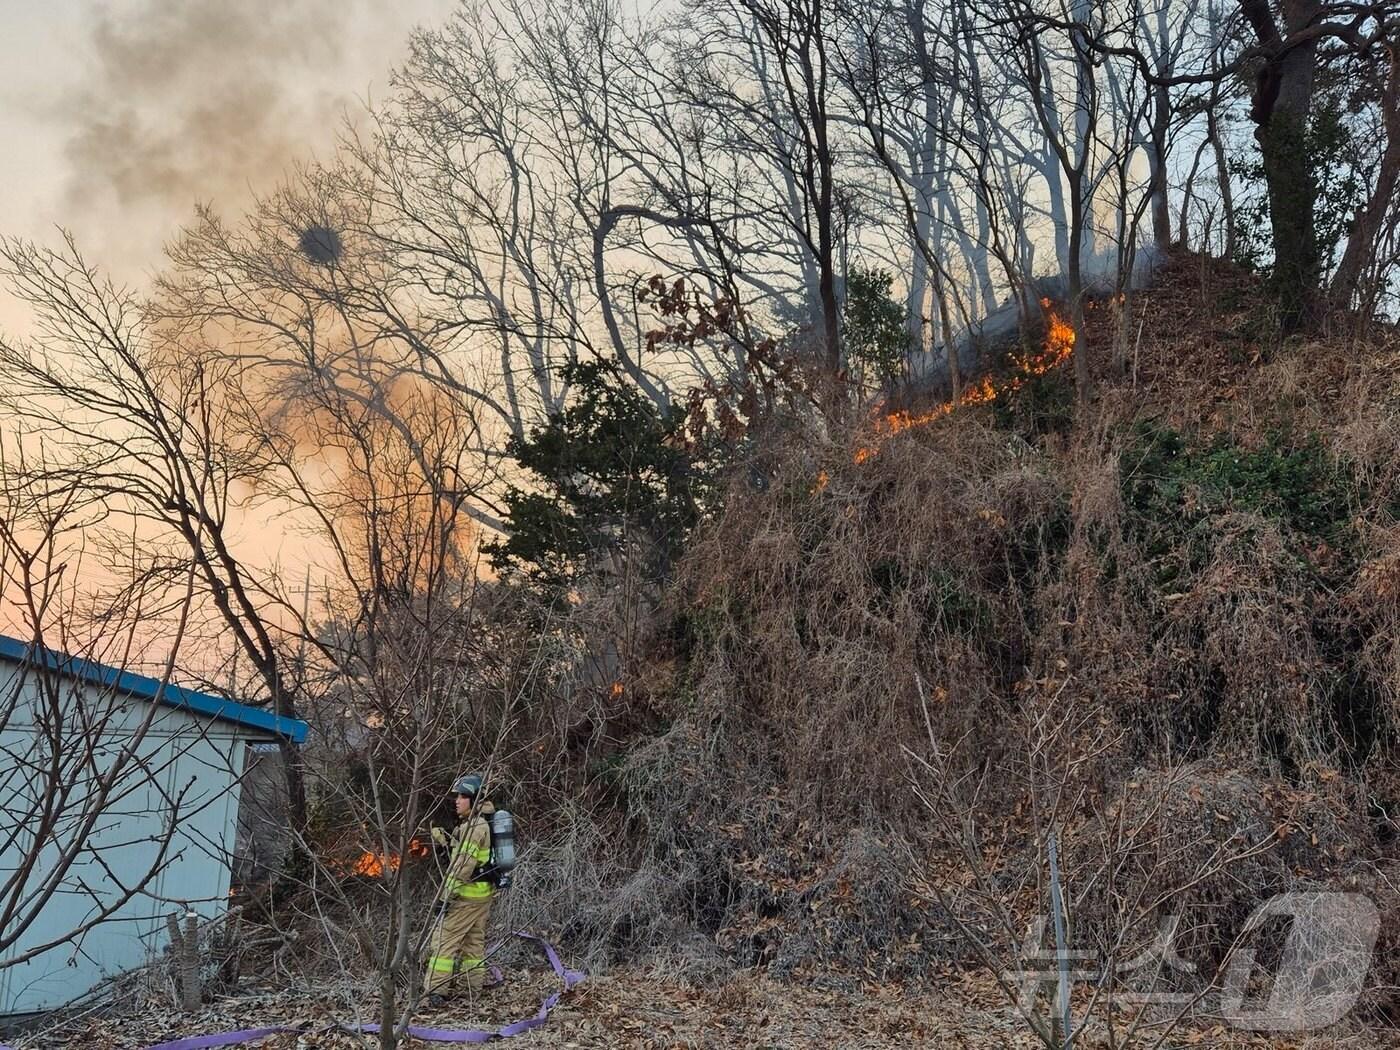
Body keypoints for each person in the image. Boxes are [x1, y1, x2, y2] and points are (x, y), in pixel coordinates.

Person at [423, 772, 495, 1007]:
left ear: (474, 800)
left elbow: (462, 867)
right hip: (481, 896)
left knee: (443, 942)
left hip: (465, 897)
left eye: (463, 796)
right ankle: (470, 990)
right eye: (457, 796)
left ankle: (435, 991)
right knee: (473, 943)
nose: (457, 800)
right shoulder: (481, 823)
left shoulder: (473, 827)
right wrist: (445, 841)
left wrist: (445, 897)